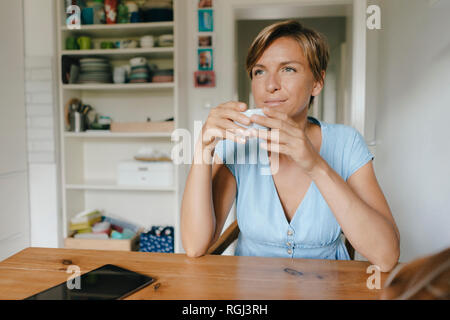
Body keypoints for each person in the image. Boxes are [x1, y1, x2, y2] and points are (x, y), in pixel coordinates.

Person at [181, 20, 400, 272]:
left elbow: (386, 256)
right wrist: (203, 147)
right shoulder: (239, 144)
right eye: (259, 71)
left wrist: (315, 164)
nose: (270, 84)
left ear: (317, 82)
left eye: (288, 69)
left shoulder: (346, 142)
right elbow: (195, 246)